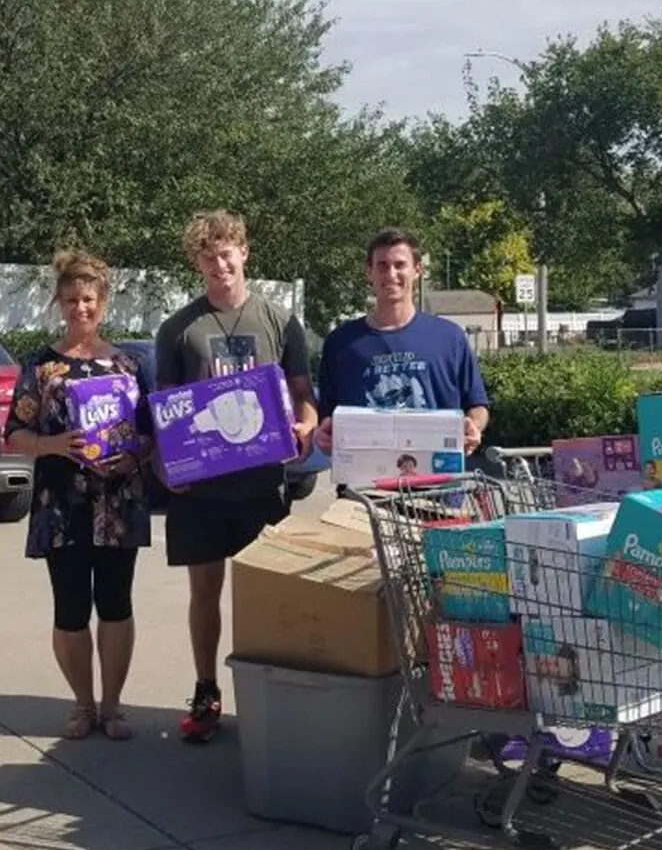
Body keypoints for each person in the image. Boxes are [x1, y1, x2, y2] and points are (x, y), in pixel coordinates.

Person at [155, 210, 317, 742]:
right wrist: (167, 464)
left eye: (226, 252)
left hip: (261, 481)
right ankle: (206, 690)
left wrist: (306, 427)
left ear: (244, 253)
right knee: (204, 592)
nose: (219, 264)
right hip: (201, 488)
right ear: (197, 263)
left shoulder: (278, 321)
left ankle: (266, 694)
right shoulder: (179, 328)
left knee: (263, 595)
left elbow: (302, 395)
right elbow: (166, 410)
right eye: (207, 256)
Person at [5, 251, 152, 741]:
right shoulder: (43, 367)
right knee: (70, 608)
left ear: (103, 302)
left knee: (116, 604)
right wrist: (54, 445)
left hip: (118, 502)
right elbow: (16, 434)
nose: (80, 308)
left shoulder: (129, 364)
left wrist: (135, 457)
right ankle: (82, 705)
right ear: (58, 303)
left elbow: (151, 431)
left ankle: (113, 707)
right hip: (62, 505)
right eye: (70, 300)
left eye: (88, 299)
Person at [315, 228, 490, 462]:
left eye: (400, 265)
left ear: (418, 270)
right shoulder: (341, 343)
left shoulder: (449, 337)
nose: (391, 274)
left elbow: (478, 405)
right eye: (382, 265)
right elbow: (328, 417)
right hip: (365, 485)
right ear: (369, 272)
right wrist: (325, 434)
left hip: (438, 485)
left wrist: (473, 426)